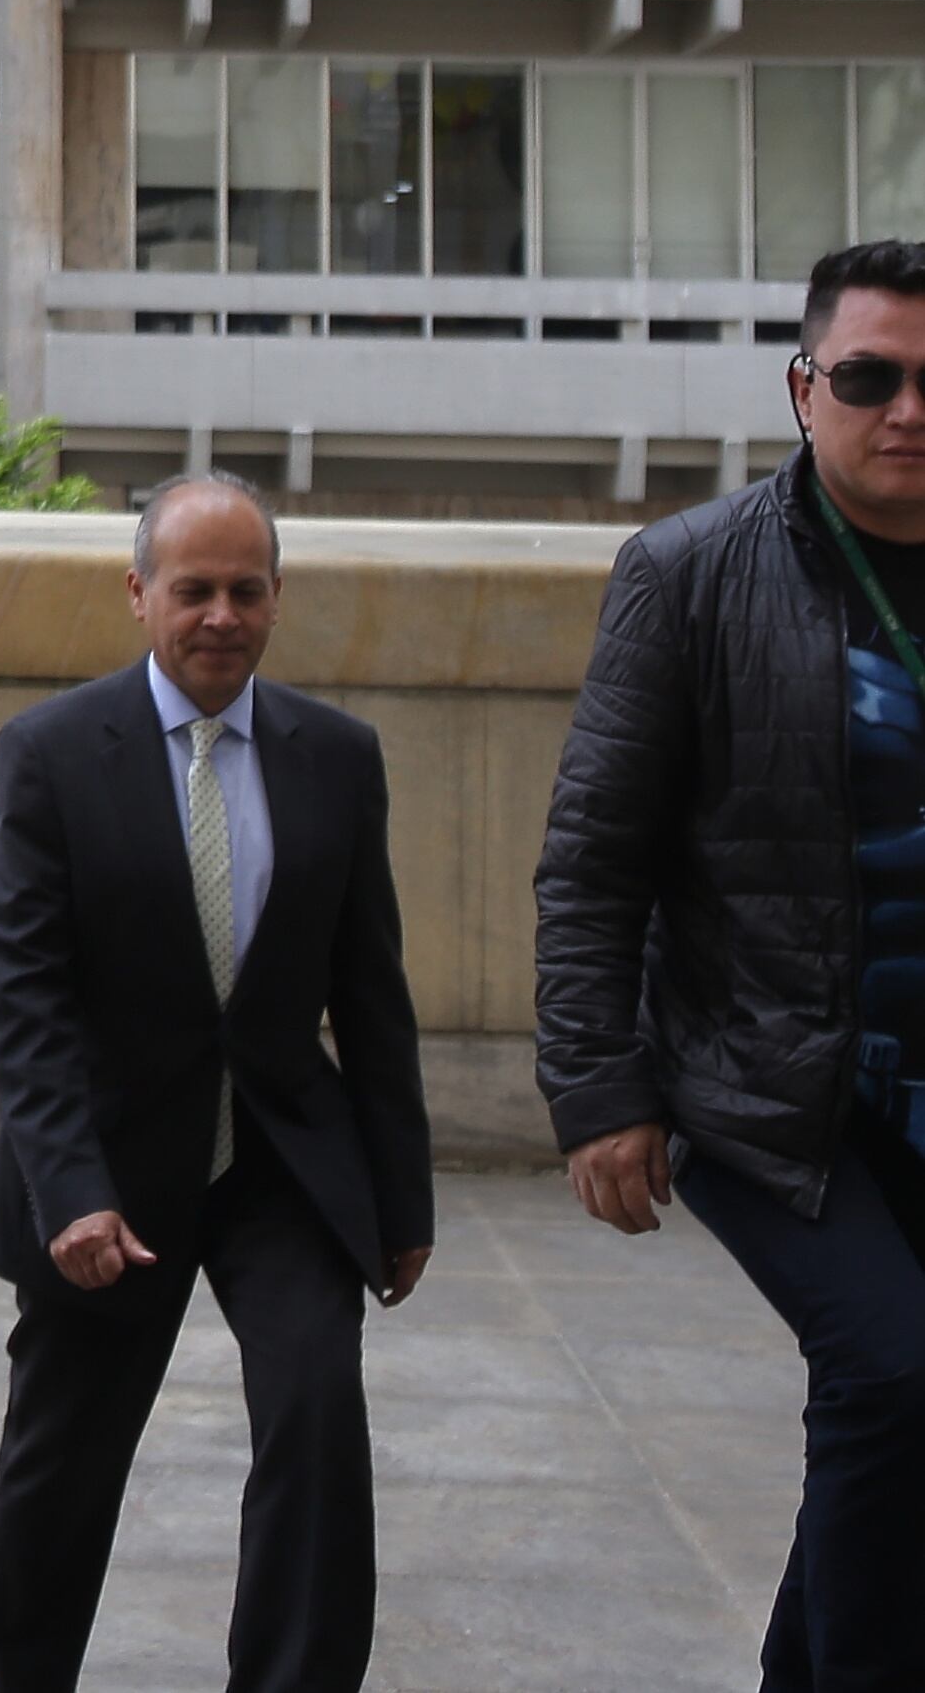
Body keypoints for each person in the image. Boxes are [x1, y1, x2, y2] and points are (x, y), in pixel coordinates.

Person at [0, 472, 433, 1693]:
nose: (219, 614)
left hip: (281, 1160)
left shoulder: (337, 757)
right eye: (193, 590)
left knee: (316, 1413)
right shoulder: (52, 754)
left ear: (276, 599)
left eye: (245, 589)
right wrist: (66, 1190)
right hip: (108, 1173)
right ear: (138, 595)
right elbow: (27, 1002)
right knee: (59, 1471)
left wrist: (402, 1198)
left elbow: (373, 993)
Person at [539, 238, 925, 1693]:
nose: (903, 409)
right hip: (763, 1081)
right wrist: (596, 1089)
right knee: (893, 1372)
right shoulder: (688, 571)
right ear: (802, 385)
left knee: (891, 1418)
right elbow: (592, 857)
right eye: (868, 376)